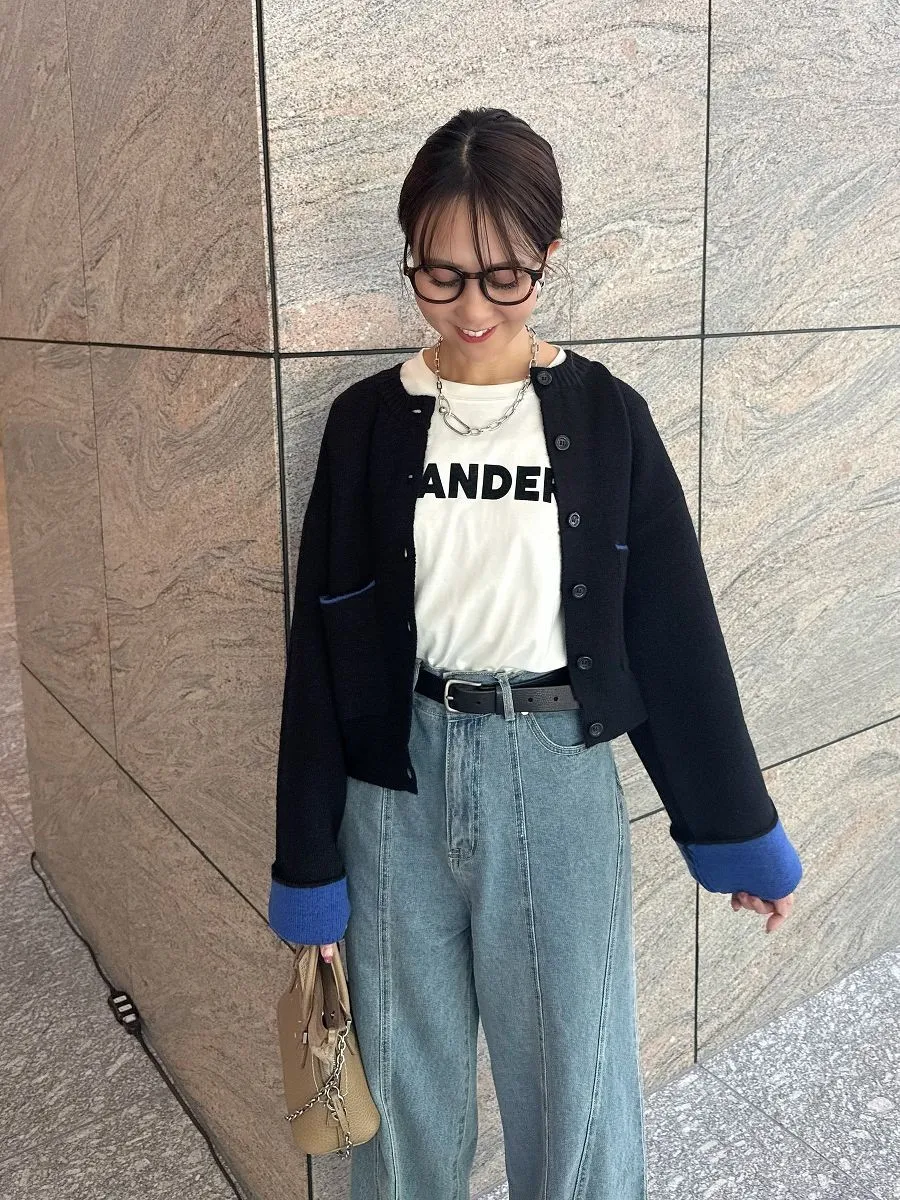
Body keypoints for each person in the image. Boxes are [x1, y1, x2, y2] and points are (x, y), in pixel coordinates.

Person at [268, 107, 801, 1199]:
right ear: (410, 255)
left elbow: (674, 633)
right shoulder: (365, 423)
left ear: (548, 256)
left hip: (554, 773)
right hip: (393, 789)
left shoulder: (608, 420)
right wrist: (308, 870)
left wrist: (736, 834)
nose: (471, 309)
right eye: (441, 276)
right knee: (401, 1104)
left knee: (578, 1095)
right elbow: (322, 653)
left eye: (504, 277)